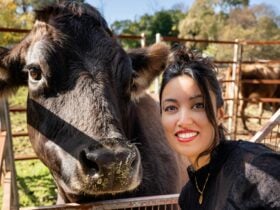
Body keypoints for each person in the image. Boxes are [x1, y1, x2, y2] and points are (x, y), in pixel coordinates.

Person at [159, 44, 280, 210]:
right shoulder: (188, 196)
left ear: (220, 115)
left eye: (198, 105)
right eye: (171, 108)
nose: (184, 120)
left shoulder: (261, 172)